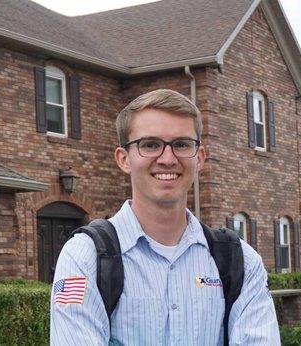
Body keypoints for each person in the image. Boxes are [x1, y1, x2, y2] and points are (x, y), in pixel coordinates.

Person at [50, 89, 280, 345]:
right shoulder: (84, 259)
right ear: (124, 159)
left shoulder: (241, 262)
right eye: (150, 145)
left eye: (181, 144)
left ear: (199, 158)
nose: (168, 159)